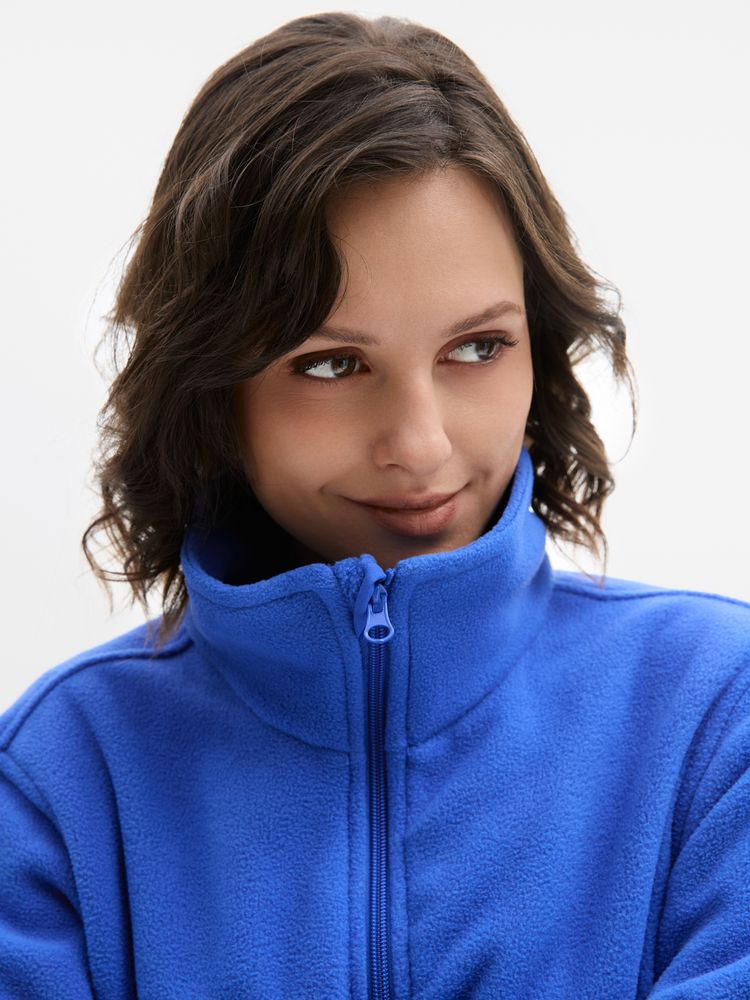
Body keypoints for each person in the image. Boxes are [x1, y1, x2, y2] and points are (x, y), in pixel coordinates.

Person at [1, 11, 748, 999]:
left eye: (477, 347)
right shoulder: (60, 782)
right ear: (210, 389)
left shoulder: (716, 717)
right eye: (332, 364)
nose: (423, 444)